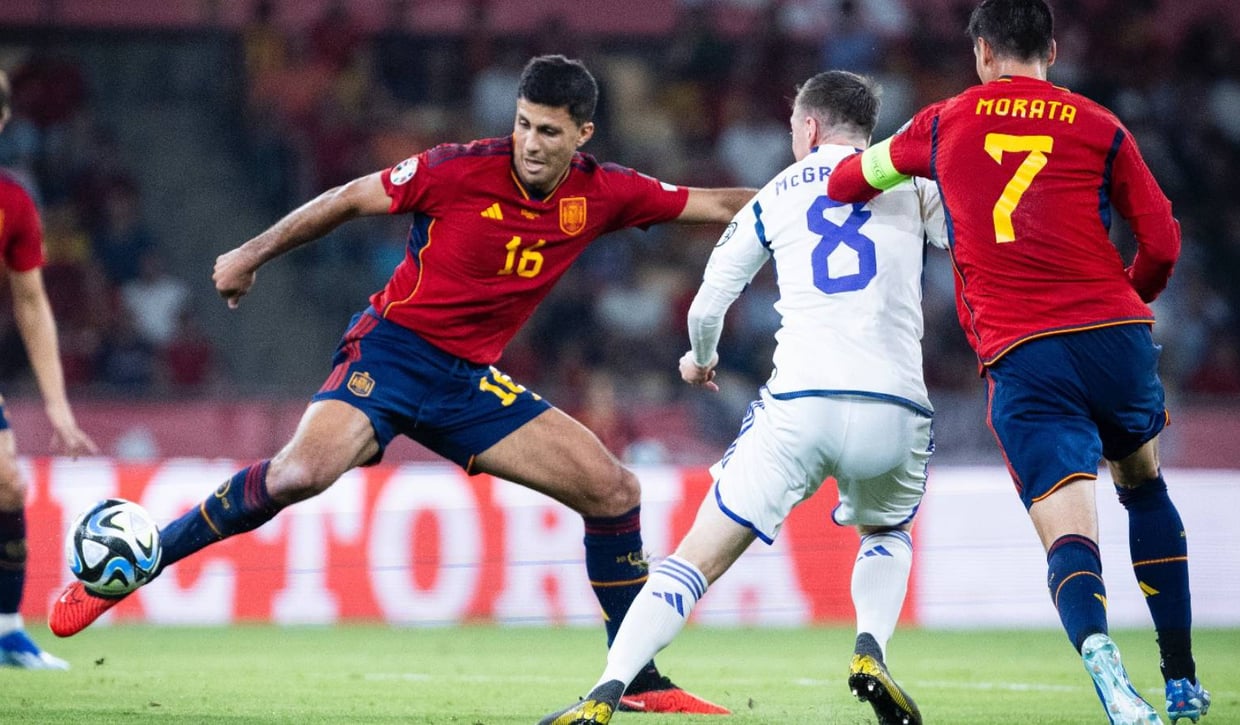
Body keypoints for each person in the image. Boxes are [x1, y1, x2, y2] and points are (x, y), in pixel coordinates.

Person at [48, 54, 750, 715]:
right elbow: (353, 196)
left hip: (467, 383)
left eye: (549, 131)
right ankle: (136, 569)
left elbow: (718, 206)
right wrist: (250, 253)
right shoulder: (458, 169)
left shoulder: (605, 191)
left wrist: (821, 199)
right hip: (391, 354)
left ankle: (636, 677)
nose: (530, 142)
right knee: (299, 473)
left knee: (614, 489)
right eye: (523, 123)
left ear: (583, 134)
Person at [826, 2, 1208, 723]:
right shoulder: (1101, 126)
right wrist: (1130, 303)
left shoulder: (941, 123)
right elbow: (1161, 238)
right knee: (1144, 486)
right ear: (1053, 51)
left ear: (981, 52)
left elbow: (849, 183)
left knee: (1069, 528)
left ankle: (1103, 661)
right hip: (1115, 333)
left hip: (1025, 354)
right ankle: (1183, 680)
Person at [540, 70, 946, 725]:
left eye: (793, 127)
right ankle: (870, 645)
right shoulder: (912, 184)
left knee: (690, 563)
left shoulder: (779, 192)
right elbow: (974, 245)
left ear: (809, 127)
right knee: (888, 530)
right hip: (896, 405)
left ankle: (606, 691)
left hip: (801, 405)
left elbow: (710, 300)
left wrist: (699, 359)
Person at [0, 69, 99, 669]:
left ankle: (7, 630)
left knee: (9, 484)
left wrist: (58, 406)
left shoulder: (12, 201)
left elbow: (31, 303)